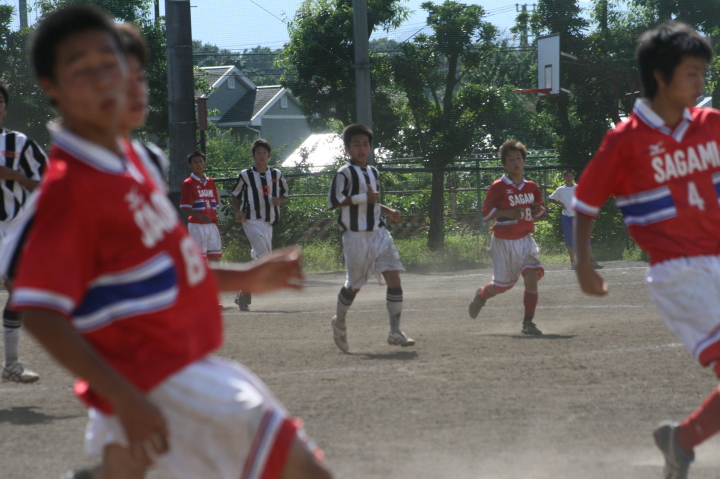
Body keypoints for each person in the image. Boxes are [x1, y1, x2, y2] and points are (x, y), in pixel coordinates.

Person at [6, 6, 330, 479]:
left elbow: (171, 271)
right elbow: (38, 309)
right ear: (50, 86)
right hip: (162, 379)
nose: (107, 80)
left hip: (171, 371)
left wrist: (246, 276)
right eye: (82, 69)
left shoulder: (135, 163)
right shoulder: (70, 190)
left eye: (114, 64)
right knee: (306, 471)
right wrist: (124, 396)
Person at [573, 22, 718, 479]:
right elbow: (585, 204)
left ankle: (681, 441)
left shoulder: (713, 126)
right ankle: (682, 441)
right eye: (692, 73)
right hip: (680, 275)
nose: (700, 82)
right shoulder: (625, 141)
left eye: (703, 73)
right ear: (660, 75)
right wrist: (582, 263)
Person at [327, 123, 414, 352]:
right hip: (356, 238)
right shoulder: (344, 173)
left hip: (379, 233)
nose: (361, 148)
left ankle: (395, 331)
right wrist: (363, 198)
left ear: (370, 148)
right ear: (347, 148)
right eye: (356, 144)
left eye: (365, 144)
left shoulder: (373, 171)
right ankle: (339, 323)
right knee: (353, 286)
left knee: (394, 277)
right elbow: (335, 201)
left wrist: (388, 211)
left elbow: (371, 201)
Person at [468, 140, 546, 335]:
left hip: (525, 240)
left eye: (519, 158)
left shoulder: (531, 186)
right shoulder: (498, 187)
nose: (516, 163)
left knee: (531, 277)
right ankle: (482, 295)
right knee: (502, 286)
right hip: (503, 242)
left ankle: (528, 322)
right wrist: (506, 213)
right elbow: (485, 214)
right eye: (510, 160)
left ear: (524, 161)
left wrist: (537, 210)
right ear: (504, 164)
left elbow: (539, 209)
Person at [0, 78, 47, 384]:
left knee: (17, 292)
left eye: (0, 101)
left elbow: (48, 183)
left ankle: (11, 364)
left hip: (12, 229)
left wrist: (15, 176)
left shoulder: (19, 143)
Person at [230, 139, 288, 311]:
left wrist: (279, 200)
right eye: (258, 152)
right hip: (250, 219)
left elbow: (285, 192)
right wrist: (237, 211)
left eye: (264, 152)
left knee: (261, 258)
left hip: (268, 221)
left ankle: (243, 290)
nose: (261, 155)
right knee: (263, 257)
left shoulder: (276, 174)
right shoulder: (246, 175)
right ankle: (245, 292)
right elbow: (235, 194)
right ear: (253, 156)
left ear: (269, 156)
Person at [547, 169, 602, 270]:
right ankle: (573, 262)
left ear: (573, 177)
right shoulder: (560, 189)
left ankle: (591, 261)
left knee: (585, 238)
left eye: (571, 176)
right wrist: (560, 203)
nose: (569, 178)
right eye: (567, 176)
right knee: (570, 240)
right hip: (566, 217)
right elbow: (550, 198)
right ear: (564, 177)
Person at [180, 150, 222, 261]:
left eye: (200, 161)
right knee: (199, 259)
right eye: (195, 162)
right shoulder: (188, 183)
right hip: (197, 225)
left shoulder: (211, 182)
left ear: (205, 163)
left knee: (214, 257)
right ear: (190, 165)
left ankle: (215, 274)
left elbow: (214, 208)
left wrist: (216, 226)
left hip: (211, 225)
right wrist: (199, 216)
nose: (198, 164)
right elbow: (184, 208)